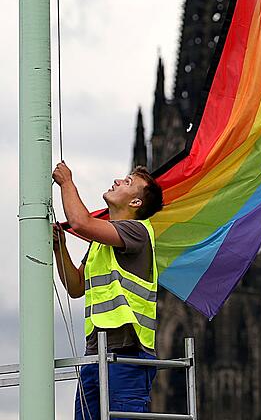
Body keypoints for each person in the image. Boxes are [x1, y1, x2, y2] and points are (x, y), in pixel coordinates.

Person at [52, 161, 164, 419]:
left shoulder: (138, 232)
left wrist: (67, 183)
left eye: (127, 182)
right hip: (95, 354)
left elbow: (80, 222)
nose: (117, 181)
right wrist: (60, 249)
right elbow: (76, 286)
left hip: (128, 356)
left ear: (136, 203)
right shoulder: (101, 242)